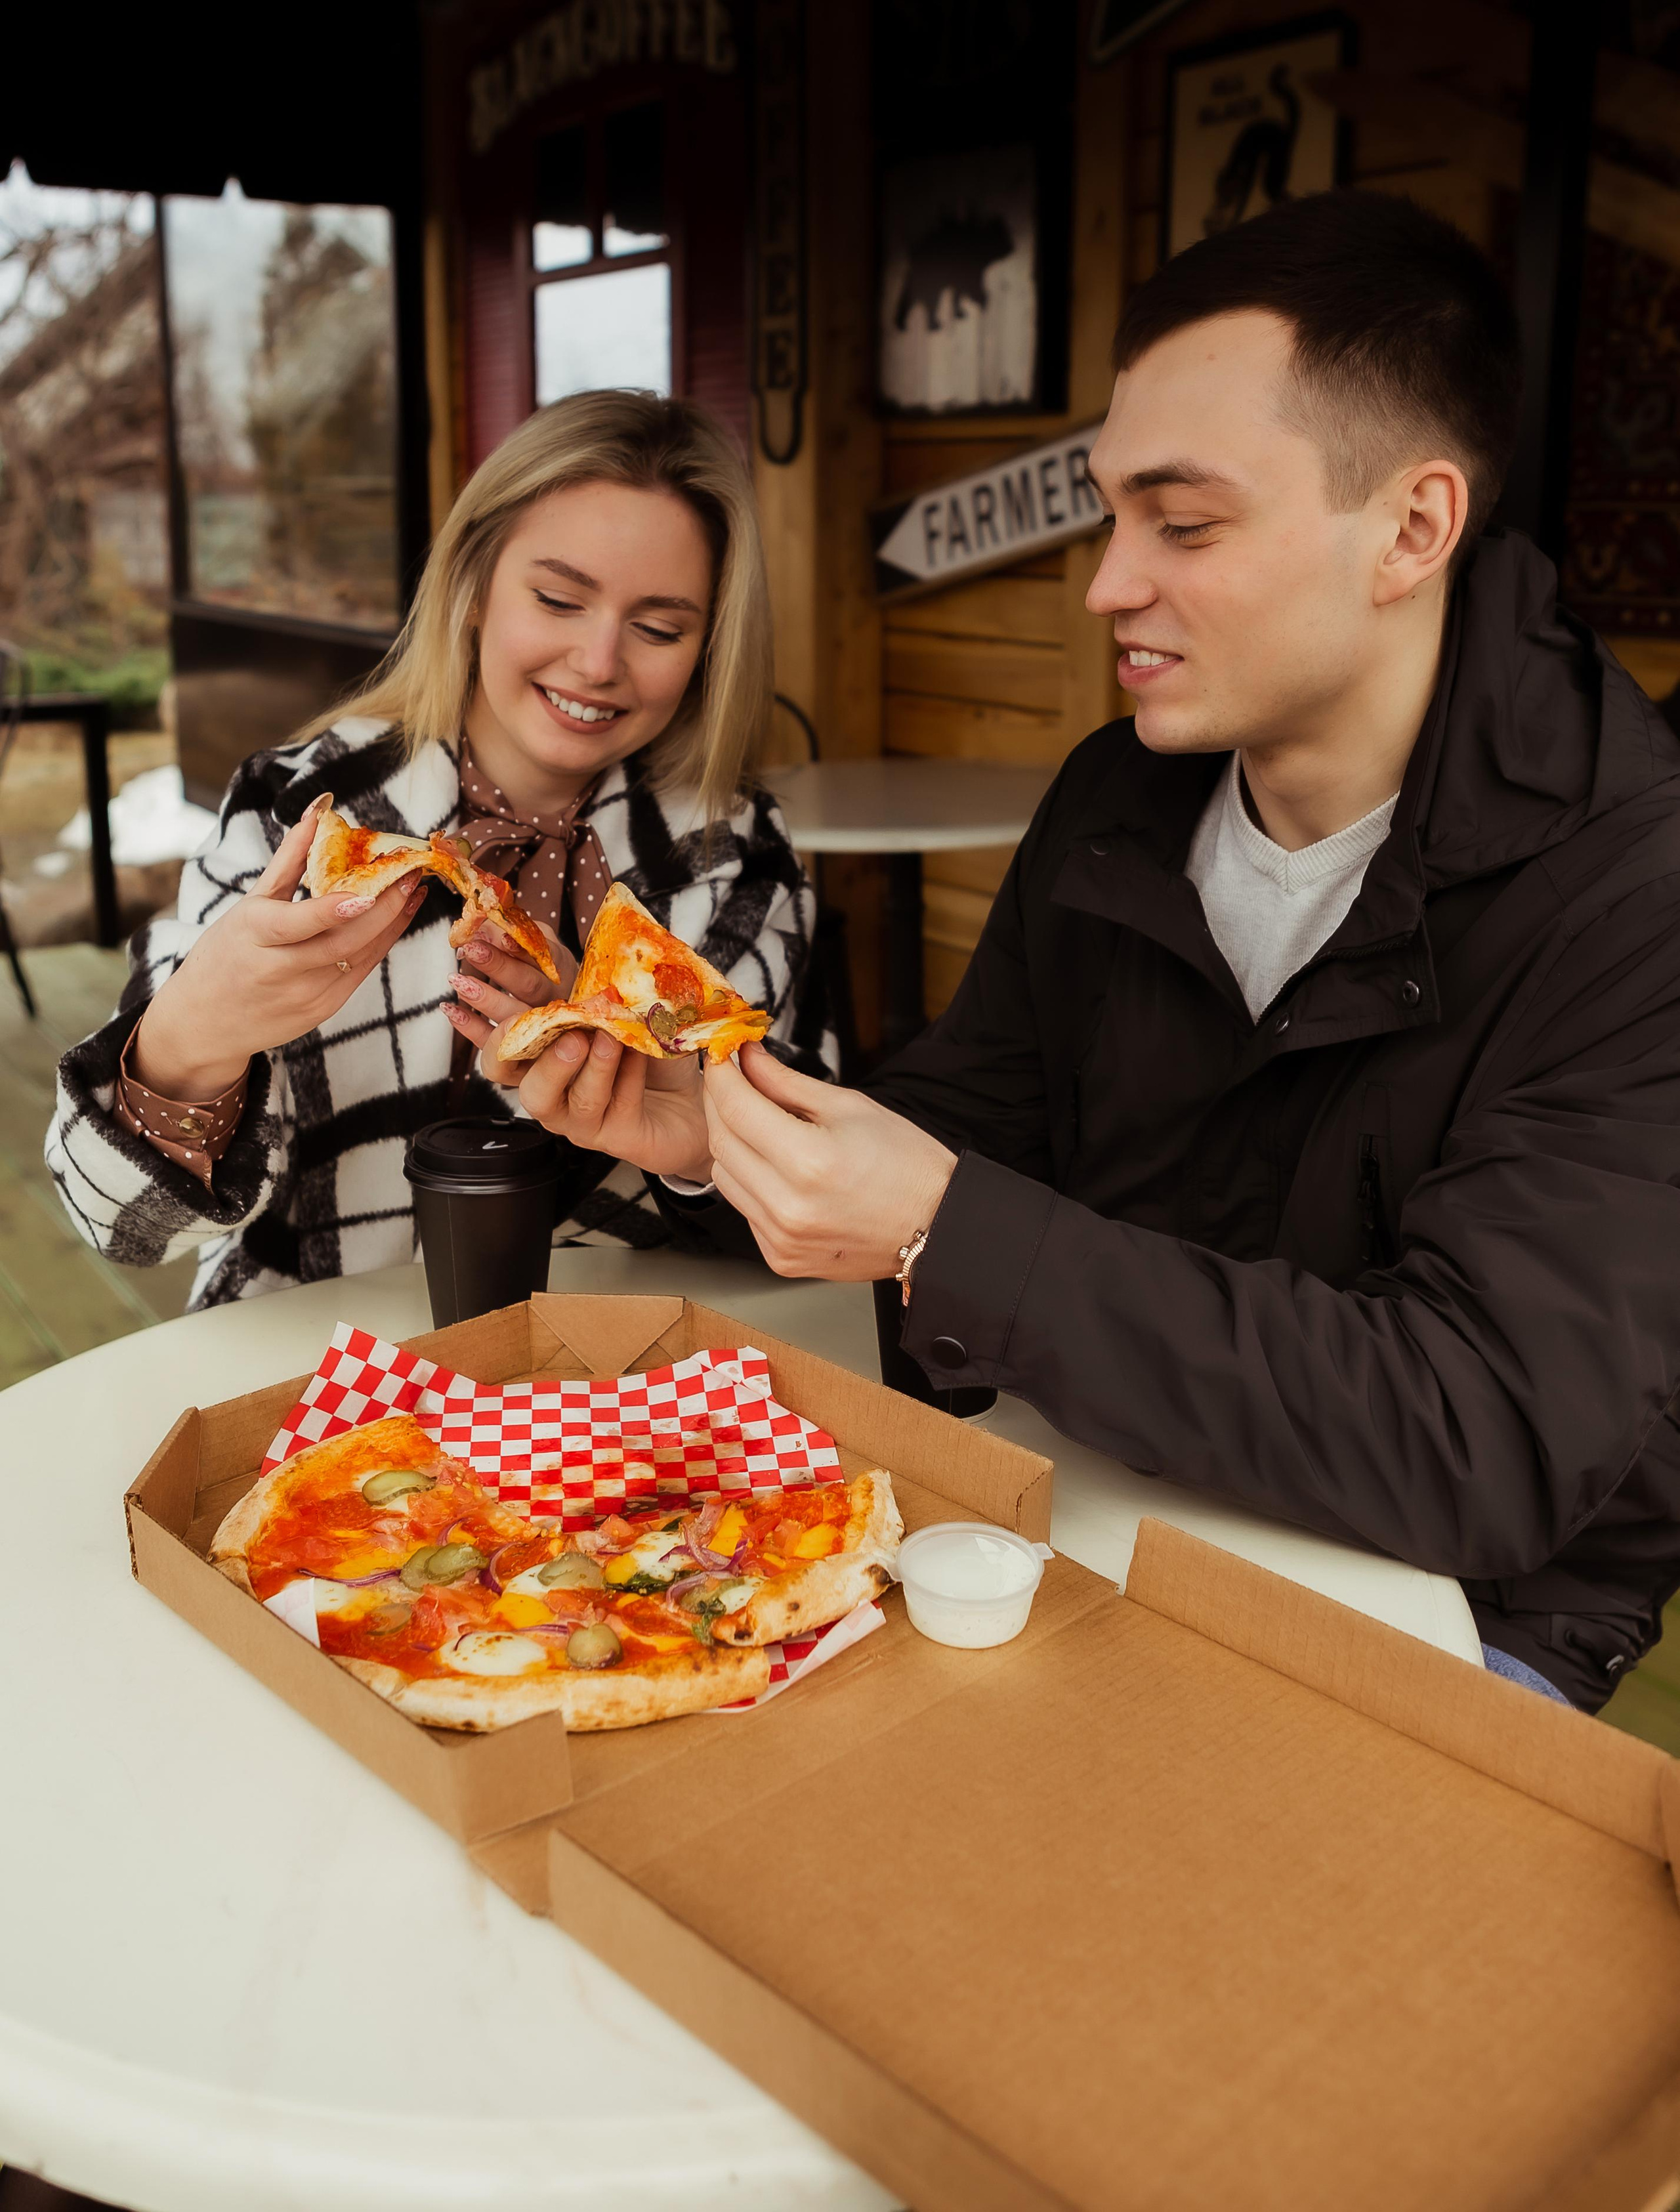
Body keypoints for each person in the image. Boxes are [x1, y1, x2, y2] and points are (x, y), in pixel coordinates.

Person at [484, 193, 1680, 1712]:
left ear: (1412, 527)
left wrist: (944, 1227)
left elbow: (1488, 1439)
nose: (1109, 582)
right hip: (1086, 1485)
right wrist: (716, 1134)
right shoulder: (1121, 792)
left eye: (1181, 525)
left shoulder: (1632, 883)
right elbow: (975, 1134)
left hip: (1465, 1602)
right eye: (1110, 513)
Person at [47, 390, 836, 1306]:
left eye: (659, 628)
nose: (598, 661)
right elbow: (122, 1225)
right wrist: (188, 1042)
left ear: (709, 648)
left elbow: (813, 1224)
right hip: (315, 1364)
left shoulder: (732, 856)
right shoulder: (304, 813)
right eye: (557, 599)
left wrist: (695, 1134)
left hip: (614, 1389)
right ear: (471, 587)